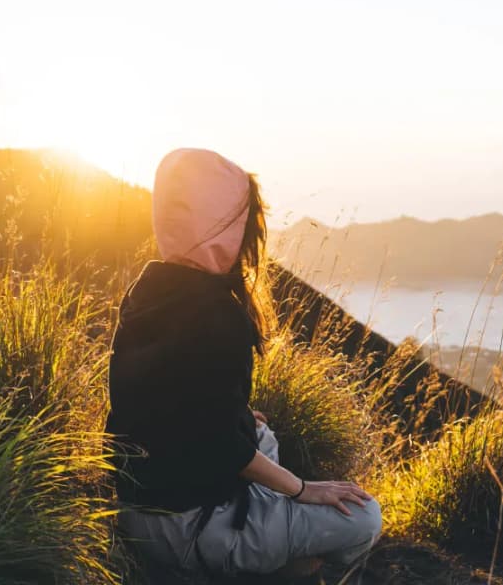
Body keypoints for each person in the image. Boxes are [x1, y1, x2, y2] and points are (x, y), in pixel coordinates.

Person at [106, 148, 382, 580]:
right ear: (225, 227)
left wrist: (235, 417)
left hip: (136, 511)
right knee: (365, 518)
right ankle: (285, 574)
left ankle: (260, 536)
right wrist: (304, 489)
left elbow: (160, 400)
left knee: (259, 431)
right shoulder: (218, 313)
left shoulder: (148, 285)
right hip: (188, 528)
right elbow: (222, 446)